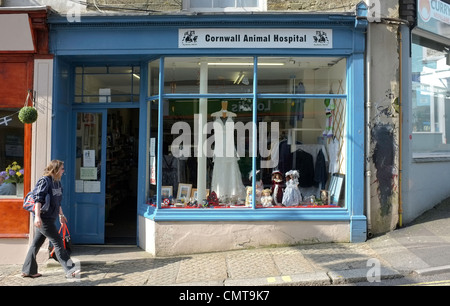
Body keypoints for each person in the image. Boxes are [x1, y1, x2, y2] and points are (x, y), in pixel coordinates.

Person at [22, 160, 79, 279]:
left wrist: (61, 215)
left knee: (36, 244)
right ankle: (70, 269)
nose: (64, 171)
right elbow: (38, 200)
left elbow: (57, 202)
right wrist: (37, 217)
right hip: (44, 218)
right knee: (58, 242)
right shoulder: (45, 181)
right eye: (62, 169)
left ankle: (28, 270)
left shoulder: (57, 182)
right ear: (56, 169)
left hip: (50, 217)